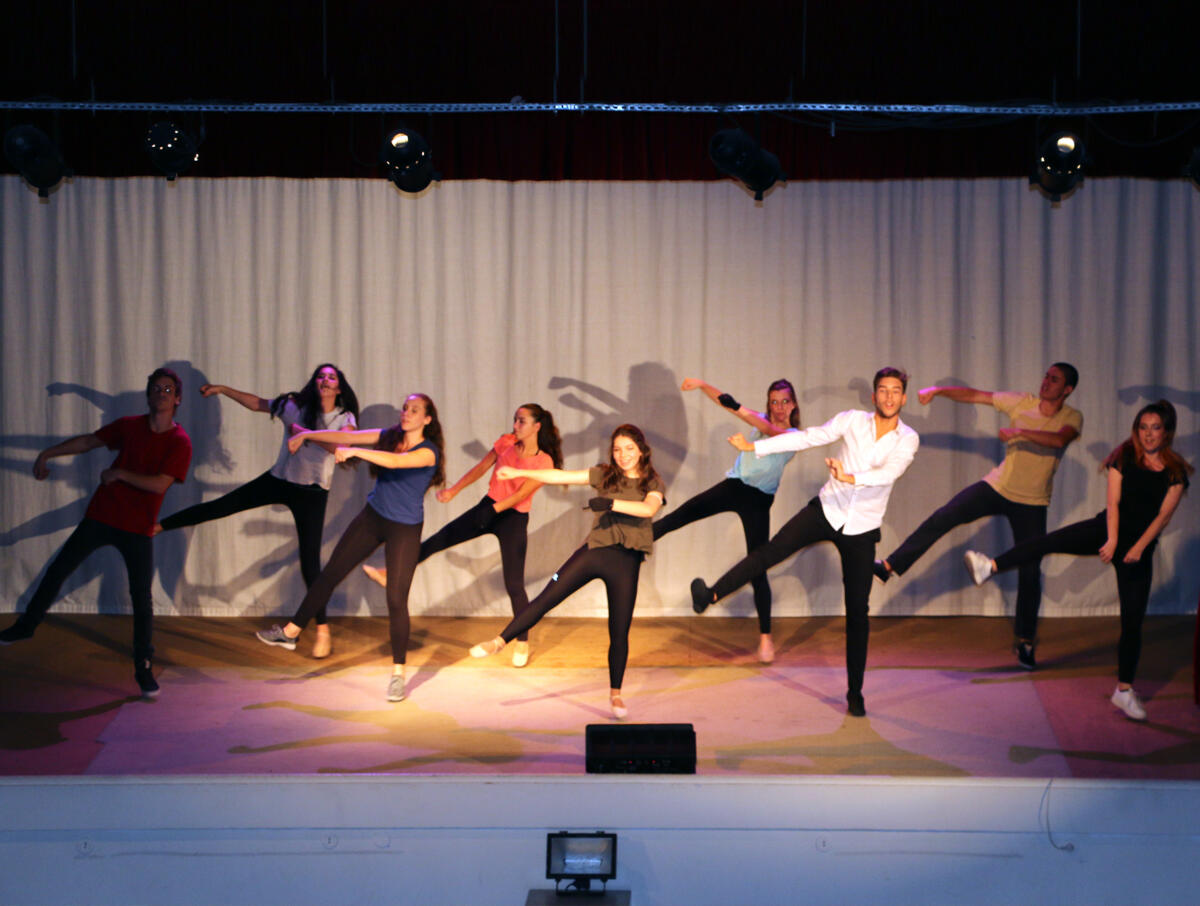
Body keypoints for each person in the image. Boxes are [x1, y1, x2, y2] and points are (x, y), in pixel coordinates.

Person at [690, 368, 918, 717]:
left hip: (862, 528)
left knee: (858, 612)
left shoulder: (908, 439)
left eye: (895, 391)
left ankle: (855, 693)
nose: (889, 397)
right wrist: (756, 447)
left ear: (903, 398)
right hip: (827, 509)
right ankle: (711, 594)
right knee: (770, 552)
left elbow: (890, 473)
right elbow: (807, 437)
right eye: (883, 390)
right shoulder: (852, 420)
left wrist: (850, 476)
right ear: (874, 396)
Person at [964, 400, 1191, 720]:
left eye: (1155, 428)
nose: (1148, 434)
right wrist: (1112, 540)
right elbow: (1113, 503)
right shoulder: (1124, 456)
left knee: (1133, 622)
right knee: (1047, 542)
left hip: (1139, 549)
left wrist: (1138, 548)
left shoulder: (1175, 472)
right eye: (1143, 427)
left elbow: (1162, 518)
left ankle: (1124, 690)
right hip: (1106, 529)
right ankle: (990, 566)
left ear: (1167, 432)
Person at [874, 363, 1083, 670]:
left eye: (1054, 380)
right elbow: (976, 395)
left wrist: (1019, 432)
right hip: (997, 487)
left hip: (1032, 502)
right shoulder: (1021, 402)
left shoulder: (1072, 417)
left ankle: (1025, 641)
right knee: (944, 517)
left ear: (1067, 389)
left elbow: (1059, 440)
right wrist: (938, 391)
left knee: (1030, 570)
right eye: (1046, 376)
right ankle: (890, 565)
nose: (1046, 382)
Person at [0, 368, 193, 697]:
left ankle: (143, 665)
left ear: (177, 399)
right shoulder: (129, 426)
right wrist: (47, 453)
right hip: (102, 516)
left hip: (137, 528)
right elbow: (90, 441)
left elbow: (160, 484)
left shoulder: (179, 442)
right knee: (59, 569)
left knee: (141, 598)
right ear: (148, 395)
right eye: (156, 388)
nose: (161, 393)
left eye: (168, 389)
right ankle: (26, 626)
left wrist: (120, 473)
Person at [155, 364, 359, 658]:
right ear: (314, 383)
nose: (325, 380)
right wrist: (222, 390)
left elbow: (344, 444)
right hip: (279, 481)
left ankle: (322, 630)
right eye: (320, 376)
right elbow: (256, 403)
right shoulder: (294, 406)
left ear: (339, 388)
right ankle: (160, 526)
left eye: (332, 377)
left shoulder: (343, 417)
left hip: (312, 493)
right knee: (222, 506)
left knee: (310, 562)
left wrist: (304, 434)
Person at [254, 393, 444, 703]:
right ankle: (290, 632)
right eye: (405, 408)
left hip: (404, 529)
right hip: (373, 517)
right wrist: (307, 434)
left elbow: (396, 462)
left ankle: (398, 674)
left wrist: (355, 451)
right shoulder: (389, 436)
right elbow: (345, 436)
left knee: (396, 600)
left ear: (426, 419)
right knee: (330, 573)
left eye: (414, 410)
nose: (406, 413)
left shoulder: (428, 452)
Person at [469, 424, 666, 720]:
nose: (623, 455)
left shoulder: (652, 482)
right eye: (617, 449)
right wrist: (520, 472)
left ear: (641, 450)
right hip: (593, 553)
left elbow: (649, 509)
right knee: (547, 597)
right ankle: (500, 641)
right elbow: (560, 476)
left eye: (629, 449)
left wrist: (611, 503)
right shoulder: (604, 474)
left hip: (625, 564)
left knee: (619, 631)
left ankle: (615, 694)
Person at [363, 404, 563, 667]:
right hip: (489, 506)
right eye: (515, 419)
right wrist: (454, 490)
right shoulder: (505, 442)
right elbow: (481, 468)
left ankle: (522, 640)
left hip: (513, 518)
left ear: (537, 426)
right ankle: (389, 572)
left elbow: (522, 494)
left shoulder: (544, 461)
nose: (515, 425)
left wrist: (494, 511)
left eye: (522, 421)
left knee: (514, 584)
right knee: (439, 539)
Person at [652, 377, 800, 663]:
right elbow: (729, 405)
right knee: (685, 512)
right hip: (735, 487)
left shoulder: (795, 435)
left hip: (759, 501)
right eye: (774, 402)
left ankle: (766, 639)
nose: (779, 407)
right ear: (768, 404)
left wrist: (739, 408)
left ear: (793, 405)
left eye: (785, 402)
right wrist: (702, 385)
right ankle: (639, 538)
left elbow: (770, 430)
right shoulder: (759, 419)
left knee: (757, 567)